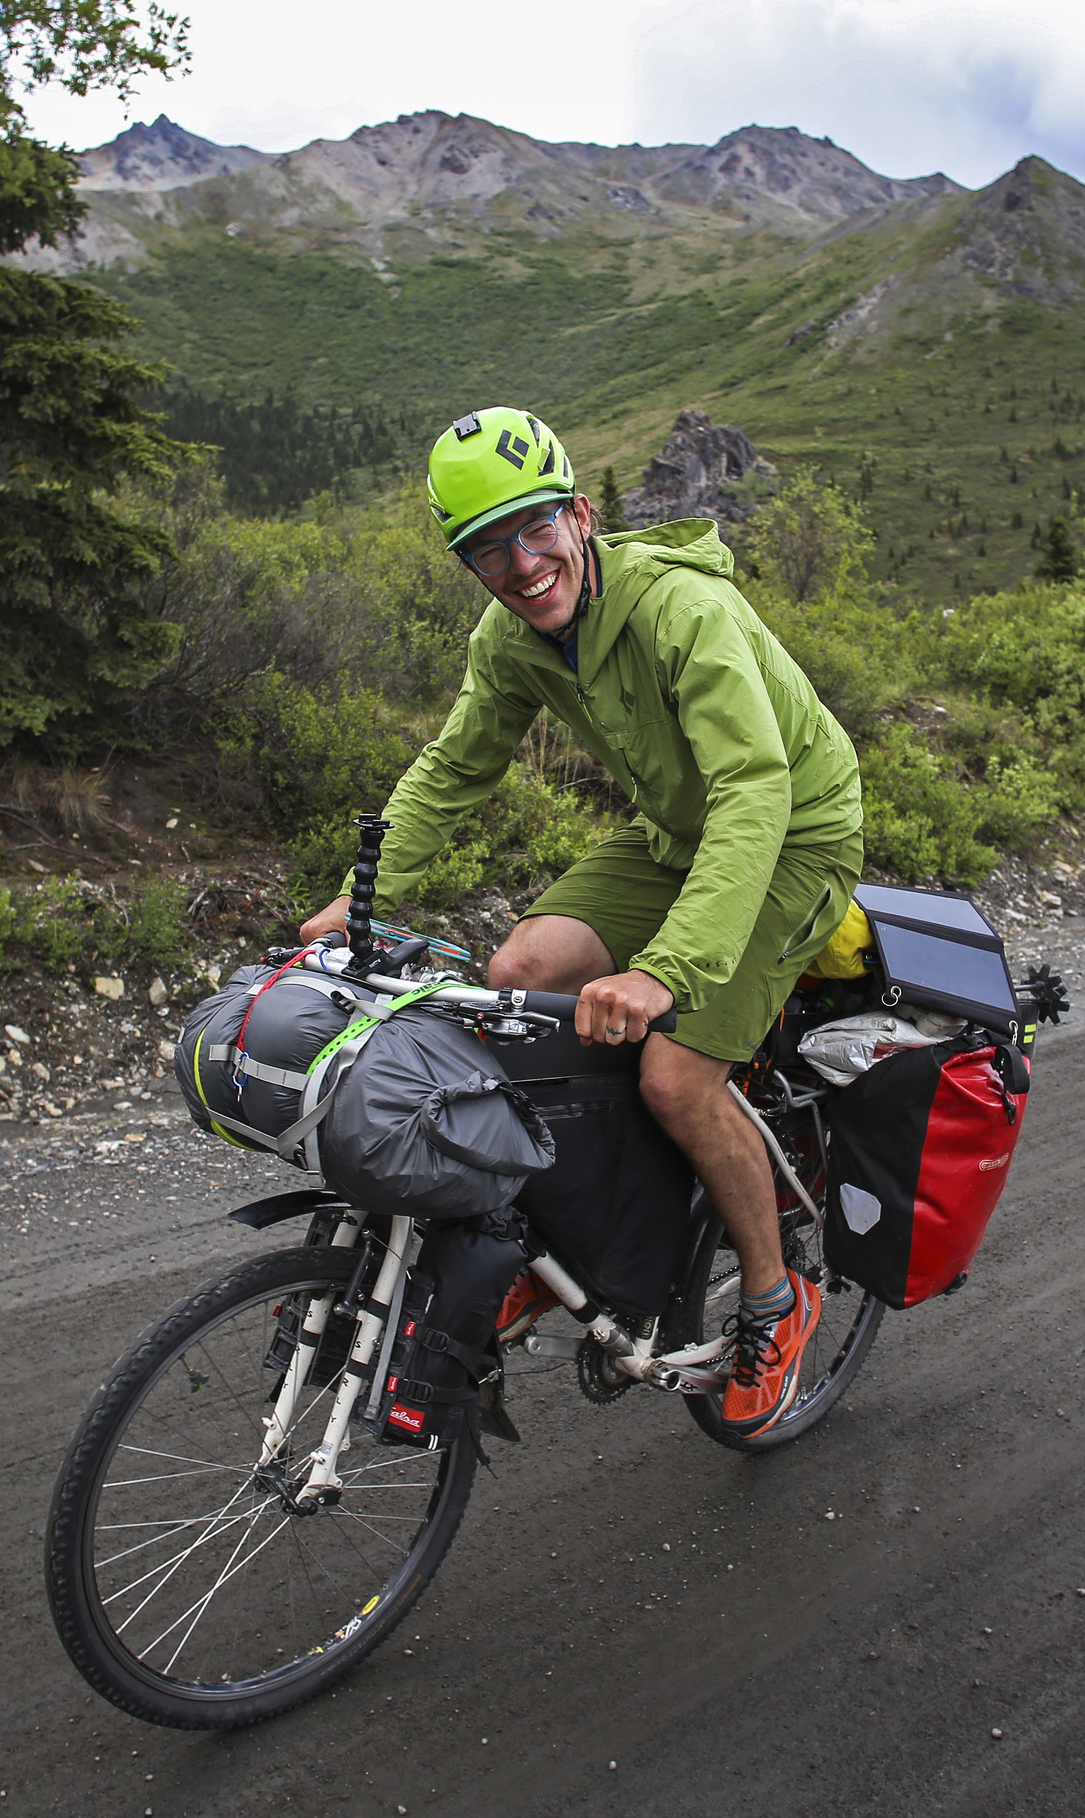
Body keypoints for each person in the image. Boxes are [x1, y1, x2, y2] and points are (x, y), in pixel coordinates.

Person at [298, 406, 863, 1436]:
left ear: (580, 516)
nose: (518, 565)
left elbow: (752, 787)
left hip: (788, 838)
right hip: (672, 840)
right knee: (514, 980)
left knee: (672, 1074)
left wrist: (668, 971)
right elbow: (457, 765)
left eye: (533, 529)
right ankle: (595, 1228)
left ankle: (777, 1305)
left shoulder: (680, 610)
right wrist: (357, 898)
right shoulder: (510, 638)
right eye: (485, 549)